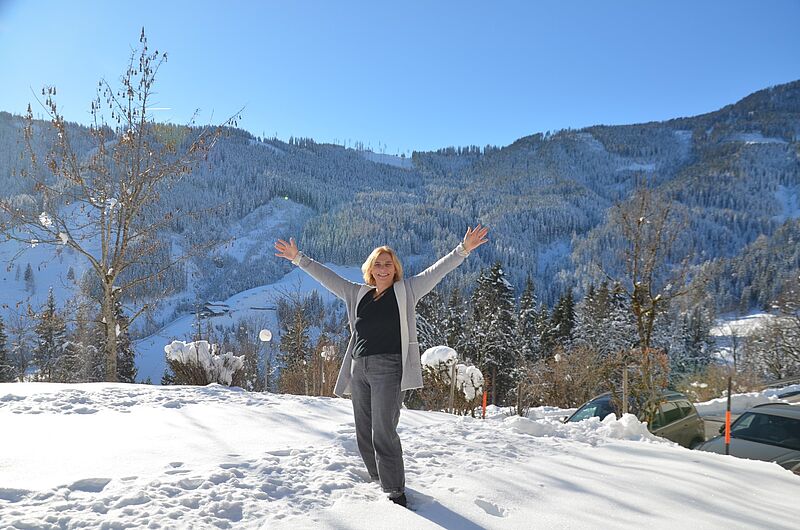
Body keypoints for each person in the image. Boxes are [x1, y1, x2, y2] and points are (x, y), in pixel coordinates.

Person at [274, 225, 488, 507]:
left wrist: (463, 250)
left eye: (388, 264)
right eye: (378, 264)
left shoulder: (406, 290)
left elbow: (436, 272)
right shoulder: (357, 294)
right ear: (370, 269)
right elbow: (328, 277)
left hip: (389, 367)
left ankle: (395, 491)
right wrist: (298, 258)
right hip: (359, 368)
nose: (383, 268)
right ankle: (379, 477)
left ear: (395, 268)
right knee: (364, 430)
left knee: (384, 429)